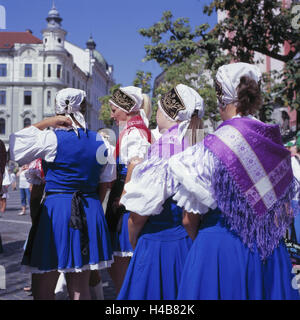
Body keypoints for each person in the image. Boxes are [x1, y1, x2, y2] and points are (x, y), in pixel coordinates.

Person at [149, 62, 298, 299]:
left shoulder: (208, 150)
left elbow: (189, 219)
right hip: (268, 252)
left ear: (221, 98)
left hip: (218, 251)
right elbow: (285, 209)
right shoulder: (275, 146)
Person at [9, 88, 115, 300]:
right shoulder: (102, 142)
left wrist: (47, 122)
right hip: (90, 207)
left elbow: (16, 146)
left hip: (59, 209)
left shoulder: (50, 138)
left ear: (58, 110)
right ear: (84, 108)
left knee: (45, 279)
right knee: (80, 285)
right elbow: (106, 180)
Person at [118, 84, 205, 299]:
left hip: (159, 245)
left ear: (167, 113)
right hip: (189, 243)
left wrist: (134, 239)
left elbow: (138, 216)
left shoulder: (165, 147)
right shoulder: (197, 144)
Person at [105, 86, 152, 295]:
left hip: (125, 196)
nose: (112, 115)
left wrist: (124, 195)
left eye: (114, 110)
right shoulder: (134, 129)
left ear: (125, 108)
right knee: (119, 260)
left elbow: (136, 163)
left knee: (121, 260)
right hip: (124, 192)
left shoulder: (134, 132)